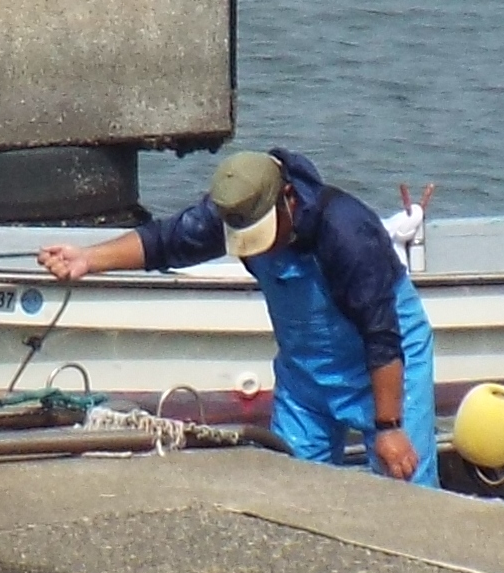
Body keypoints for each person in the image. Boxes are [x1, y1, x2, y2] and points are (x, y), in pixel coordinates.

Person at [42, 147, 438, 481]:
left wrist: (390, 426)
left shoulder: (347, 232)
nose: (259, 250)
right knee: (293, 489)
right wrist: (88, 259)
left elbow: (382, 336)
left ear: (289, 199)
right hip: (305, 375)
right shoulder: (236, 209)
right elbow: (165, 241)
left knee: (404, 489)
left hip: (387, 369)